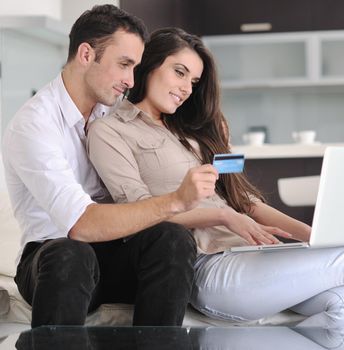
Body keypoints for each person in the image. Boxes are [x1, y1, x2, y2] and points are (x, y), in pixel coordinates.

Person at [86, 27, 344, 327]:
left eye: (193, 81)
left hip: (251, 257)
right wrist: (222, 216)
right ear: (149, 65)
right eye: (179, 73)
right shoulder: (110, 131)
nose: (187, 88)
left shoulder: (194, 132)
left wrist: (317, 238)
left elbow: (246, 203)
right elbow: (139, 211)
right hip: (211, 267)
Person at [1, 6, 218, 328]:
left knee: (171, 238)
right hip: (53, 259)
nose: (130, 80)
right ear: (86, 54)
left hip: (114, 254)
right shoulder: (35, 124)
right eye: (124, 65)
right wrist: (175, 200)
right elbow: (80, 226)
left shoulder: (114, 113)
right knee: (72, 253)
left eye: (136, 67)